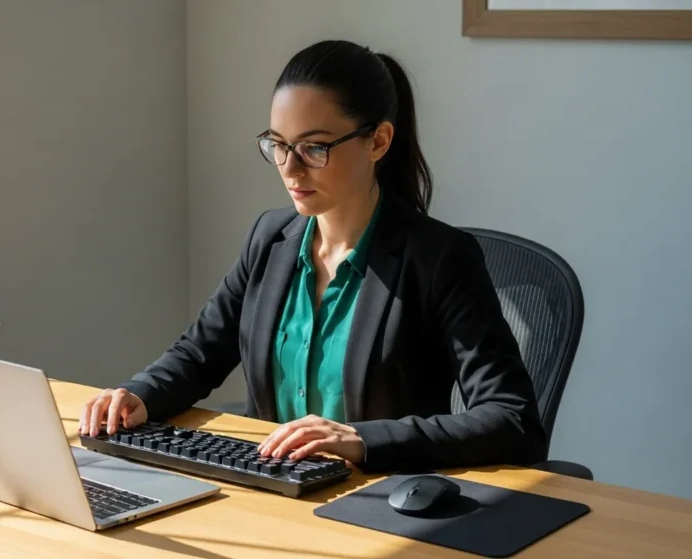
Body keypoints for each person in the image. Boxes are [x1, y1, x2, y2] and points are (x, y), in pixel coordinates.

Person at [79, 39, 547, 473]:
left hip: (380, 504)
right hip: (272, 491)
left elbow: (512, 420)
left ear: (379, 141)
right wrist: (139, 395)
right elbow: (201, 352)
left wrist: (361, 439)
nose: (289, 168)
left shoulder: (440, 258)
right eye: (278, 145)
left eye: (314, 147)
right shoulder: (271, 238)